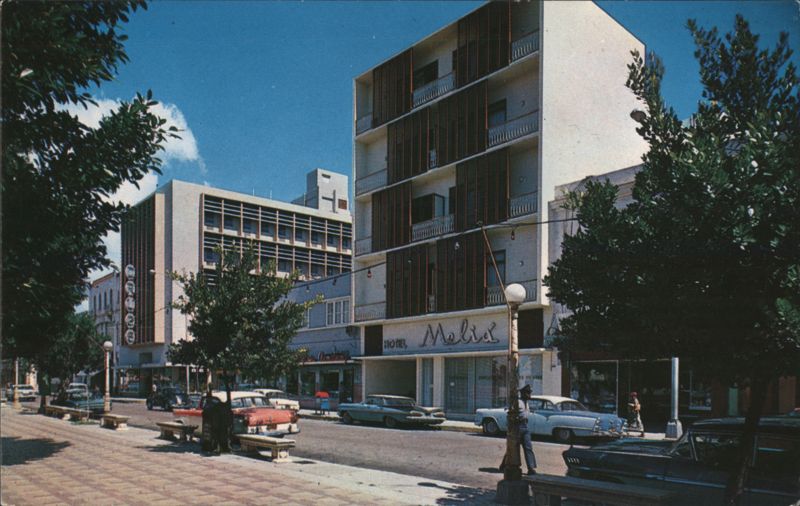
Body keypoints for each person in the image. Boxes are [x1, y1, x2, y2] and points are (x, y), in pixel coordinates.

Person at [499, 384, 537, 475]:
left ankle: (531, 468)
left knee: (528, 447)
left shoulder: (526, 403)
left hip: (525, 426)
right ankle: (504, 465)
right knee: (513, 448)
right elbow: (509, 414)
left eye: (530, 393)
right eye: (528, 393)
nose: (529, 395)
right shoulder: (517, 402)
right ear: (523, 394)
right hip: (517, 427)